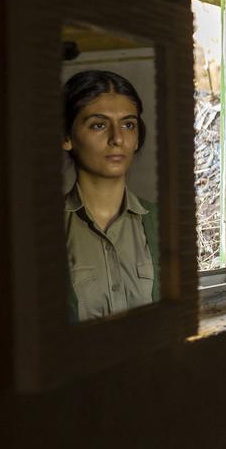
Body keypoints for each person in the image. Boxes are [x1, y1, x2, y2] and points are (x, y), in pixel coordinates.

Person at [62, 70, 159, 322]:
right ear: (67, 137)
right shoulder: (40, 231)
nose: (117, 139)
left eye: (128, 125)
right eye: (99, 125)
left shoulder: (162, 223)